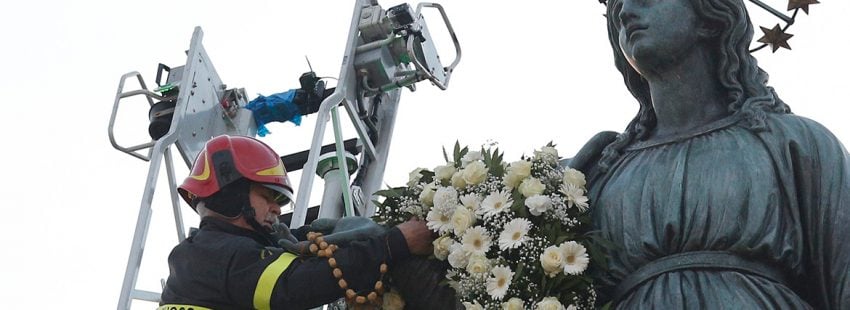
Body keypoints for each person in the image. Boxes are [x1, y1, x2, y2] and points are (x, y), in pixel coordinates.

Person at [569, 0, 850, 308]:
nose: (625, 13)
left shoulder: (794, 143)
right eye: (617, 7)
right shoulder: (600, 171)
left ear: (709, 20)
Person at [159, 134, 434, 310]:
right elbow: (297, 284)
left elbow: (290, 254)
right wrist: (395, 243)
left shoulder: (201, 254)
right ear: (231, 194)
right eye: (267, 197)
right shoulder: (218, 254)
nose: (276, 209)